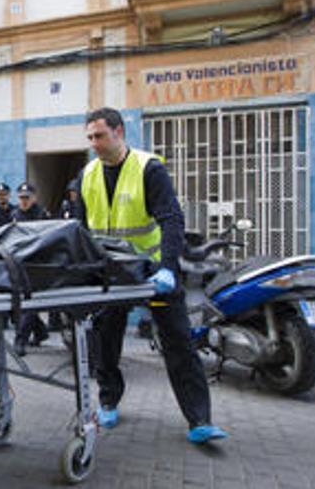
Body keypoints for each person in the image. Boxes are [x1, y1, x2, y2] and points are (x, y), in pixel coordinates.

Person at [74, 107, 228, 444]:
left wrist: (168, 269)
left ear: (119, 133)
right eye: (89, 138)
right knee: (106, 337)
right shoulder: (87, 175)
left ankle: (199, 420)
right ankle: (109, 400)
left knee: (178, 340)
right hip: (111, 271)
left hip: (150, 271)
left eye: (99, 136)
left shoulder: (148, 168)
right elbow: (80, 230)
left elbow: (172, 219)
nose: (94, 144)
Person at [11, 182, 51, 356]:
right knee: (25, 302)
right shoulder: (15, 214)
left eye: (27, 198)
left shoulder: (42, 215)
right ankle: (41, 332)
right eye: (21, 198)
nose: (24, 201)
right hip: (20, 263)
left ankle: (20, 340)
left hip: (37, 264)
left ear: (34, 198)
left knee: (29, 302)